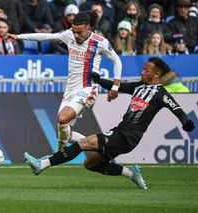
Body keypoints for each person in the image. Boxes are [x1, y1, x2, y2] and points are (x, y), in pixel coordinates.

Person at [23, 57, 195, 189]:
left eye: (146, 70)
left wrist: (185, 123)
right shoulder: (138, 87)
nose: (142, 72)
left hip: (127, 136)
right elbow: (115, 86)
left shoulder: (161, 94)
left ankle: (41, 165)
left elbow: (177, 109)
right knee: (90, 164)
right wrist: (98, 79)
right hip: (121, 133)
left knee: (84, 143)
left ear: (156, 74)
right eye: (143, 69)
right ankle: (130, 173)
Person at [7, 11, 122, 150]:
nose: (76, 36)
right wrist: (19, 36)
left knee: (62, 119)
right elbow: (46, 37)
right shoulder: (69, 35)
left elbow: (117, 61)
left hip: (87, 89)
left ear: (88, 29)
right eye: (74, 31)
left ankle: (59, 155)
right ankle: (98, 147)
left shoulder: (100, 42)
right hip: (70, 90)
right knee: (62, 133)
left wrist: (115, 87)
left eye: (79, 32)